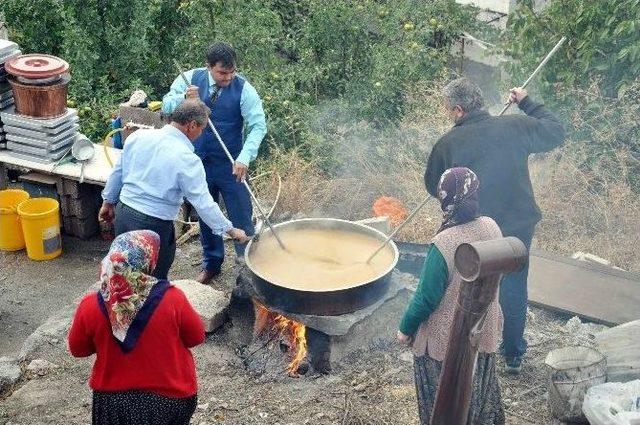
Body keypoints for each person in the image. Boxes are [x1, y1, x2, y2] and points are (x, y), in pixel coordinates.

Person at [424, 78, 565, 374]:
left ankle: (471, 353)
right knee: (514, 284)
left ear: (458, 109)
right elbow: (556, 132)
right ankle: (512, 355)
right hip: (519, 224)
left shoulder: (448, 144)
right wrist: (527, 102)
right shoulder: (515, 126)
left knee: (473, 286)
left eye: (450, 110)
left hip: (477, 229)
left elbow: (434, 185)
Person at [398, 167, 505, 425]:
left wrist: (405, 328)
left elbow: (426, 297)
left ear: (445, 199)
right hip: (483, 330)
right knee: (477, 394)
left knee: (445, 407)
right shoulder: (491, 227)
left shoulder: (444, 243)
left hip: (448, 343)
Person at [99, 99, 248, 280]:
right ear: (191, 125)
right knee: (153, 281)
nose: (202, 133)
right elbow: (203, 203)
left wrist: (108, 201)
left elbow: (118, 172)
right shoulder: (187, 159)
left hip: (124, 215)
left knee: (124, 270)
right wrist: (231, 230)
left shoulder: (138, 137)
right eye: (202, 128)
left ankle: (123, 305)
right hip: (154, 225)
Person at [68, 230, 205, 424]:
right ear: (147, 261)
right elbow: (196, 337)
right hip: (171, 397)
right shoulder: (173, 298)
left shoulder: (90, 306)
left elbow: (78, 350)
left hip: (114, 403)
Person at [162, 42, 267, 285]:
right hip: (196, 162)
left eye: (232, 72)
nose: (228, 77)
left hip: (232, 164)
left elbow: (258, 125)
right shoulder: (189, 79)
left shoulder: (244, 89)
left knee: (241, 214)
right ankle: (212, 263)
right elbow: (166, 106)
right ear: (209, 67)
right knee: (205, 214)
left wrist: (245, 157)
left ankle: (247, 267)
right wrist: (183, 99)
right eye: (222, 73)